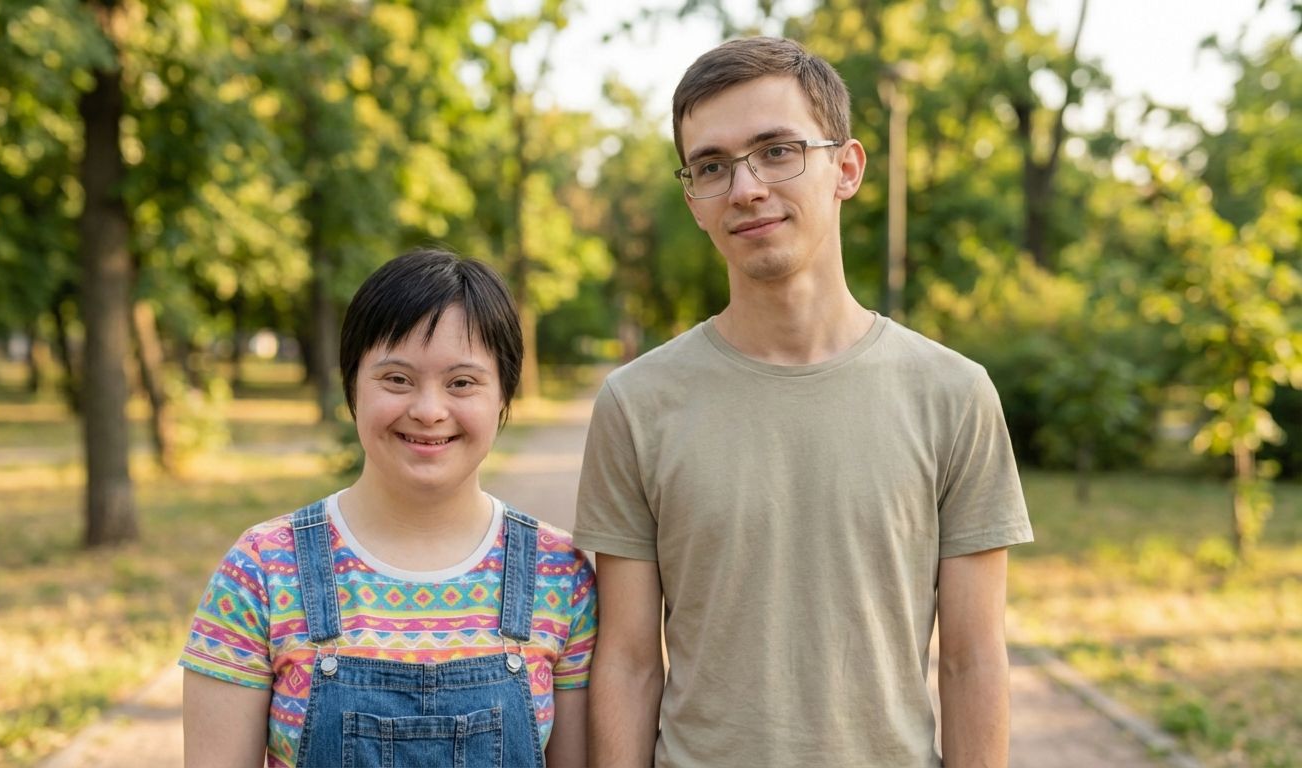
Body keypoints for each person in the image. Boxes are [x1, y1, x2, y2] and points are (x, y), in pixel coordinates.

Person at [575, 37, 1033, 767]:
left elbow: (973, 661)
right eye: (712, 167)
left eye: (778, 150)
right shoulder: (638, 405)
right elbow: (629, 663)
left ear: (845, 168)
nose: (746, 187)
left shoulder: (953, 395)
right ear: (693, 198)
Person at [181, 247, 596, 768]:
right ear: (352, 384)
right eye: (396, 379)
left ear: (504, 394)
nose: (427, 410)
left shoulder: (560, 575)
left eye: (462, 382)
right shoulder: (260, 571)